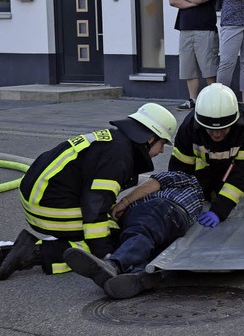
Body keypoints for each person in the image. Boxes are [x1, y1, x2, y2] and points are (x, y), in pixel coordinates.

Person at [0, 103, 177, 280]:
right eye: (162, 143)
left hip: (40, 198)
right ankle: (36, 253)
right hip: (47, 209)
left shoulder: (115, 142)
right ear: (149, 138)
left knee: (105, 228)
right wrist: (105, 255)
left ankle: (12, 251)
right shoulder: (117, 157)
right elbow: (95, 206)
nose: (162, 150)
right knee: (117, 236)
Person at [64, 171, 205, 299]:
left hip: (161, 208)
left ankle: (114, 264)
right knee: (149, 249)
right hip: (174, 225)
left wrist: (124, 202)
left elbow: (155, 182)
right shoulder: (197, 199)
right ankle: (140, 275)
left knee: (141, 232)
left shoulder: (188, 179)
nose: (162, 150)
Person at [168, 83, 244, 227]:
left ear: (234, 121)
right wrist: (179, 206)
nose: (216, 134)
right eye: (210, 129)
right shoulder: (189, 128)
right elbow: (180, 172)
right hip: (208, 186)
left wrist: (219, 210)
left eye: (223, 129)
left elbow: (243, 172)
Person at [169, 0, 221, 110]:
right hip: (185, 29)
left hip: (205, 29)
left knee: (209, 67)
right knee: (188, 68)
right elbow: (172, 0)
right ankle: (193, 100)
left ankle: (212, 99)